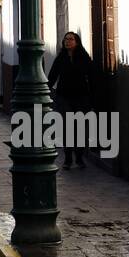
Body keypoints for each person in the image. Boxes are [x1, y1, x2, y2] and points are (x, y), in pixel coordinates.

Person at [47, 31, 94, 168]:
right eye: (66, 39)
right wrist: (47, 90)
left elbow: (91, 75)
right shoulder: (60, 58)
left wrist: (92, 96)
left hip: (81, 97)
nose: (68, 41)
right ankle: (68, 158)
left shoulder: (84, 57)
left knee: (80, 128)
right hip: (64, 97)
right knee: (67, 128)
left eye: (71, 39)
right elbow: (52, 76)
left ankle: (79, 157)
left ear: (77, 42)